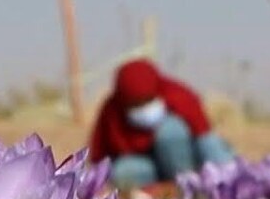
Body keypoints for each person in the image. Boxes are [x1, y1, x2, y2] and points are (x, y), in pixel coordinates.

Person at [89, 59, 234, 189]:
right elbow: (99, 157)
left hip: (188, 160)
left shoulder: (179, 95)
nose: (142, 108)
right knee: (121, 172)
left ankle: (192, 184)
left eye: (147, 100)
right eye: (135, 105)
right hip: (149, 166)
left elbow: (204, 136)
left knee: (171, 132)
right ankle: (167, 188)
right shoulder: (111, 112)